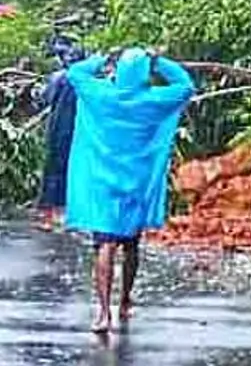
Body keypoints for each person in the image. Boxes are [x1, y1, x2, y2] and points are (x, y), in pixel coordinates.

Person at [64, 47, 195, 333]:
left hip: (102, 183)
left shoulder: (100, 95)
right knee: (131, 244)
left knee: (105, 243)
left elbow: (74, 73)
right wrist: (160, 62)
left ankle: (102, 312)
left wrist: (102, 59)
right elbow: (186, 86)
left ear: (118, 71)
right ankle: (124, 301)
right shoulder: (153, 100)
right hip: (137, 183)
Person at [34, 44, 86, 232]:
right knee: (70, 169)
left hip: (55, 127)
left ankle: (47, 212)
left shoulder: (56, 77)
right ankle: (62, 211)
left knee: (52, 168)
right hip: (76, 129)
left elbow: (43, 99)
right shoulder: (84, 80)